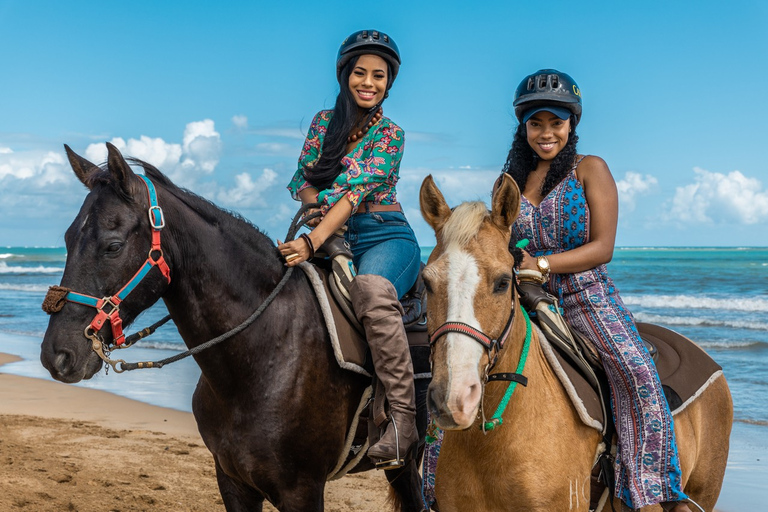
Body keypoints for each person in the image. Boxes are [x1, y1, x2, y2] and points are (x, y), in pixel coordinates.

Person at [502, 69, 692, 512]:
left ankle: (655, 492)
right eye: (536, 123)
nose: (546, 133)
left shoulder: (591, 169)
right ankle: (434, 485)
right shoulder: (508, 183)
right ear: (523, 127)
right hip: (524, 297)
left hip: (584, 296)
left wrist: (541, 265)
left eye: (556, 122)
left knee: (638, 372)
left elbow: (602, 248)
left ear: (572, 124)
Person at [277, 29, 421, 469]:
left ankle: (402, 422)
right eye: (360, 72)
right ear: (345, 75)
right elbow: (301, 182)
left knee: (372, 293)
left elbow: (353, 196)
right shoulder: (323, 123)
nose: (368, 82)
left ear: (389, 83)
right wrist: (317, 211)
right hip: (328, 229)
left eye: (379, 76)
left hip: (383, 233)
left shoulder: (391, 135)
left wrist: (312, 241)